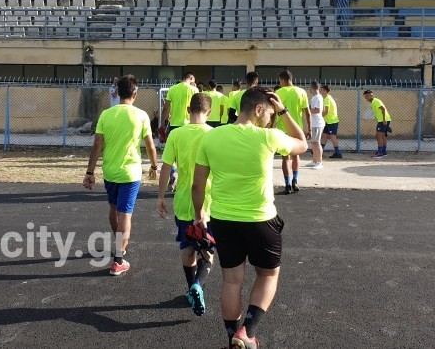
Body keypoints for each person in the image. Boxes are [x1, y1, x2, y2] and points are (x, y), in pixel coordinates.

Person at [192, 87, 308, 348]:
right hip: (261, 220)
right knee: (268, 275)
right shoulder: (268, 137)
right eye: (269, 114)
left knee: (231, 280)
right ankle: (248, 331)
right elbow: (302, 143)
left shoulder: (211, 136)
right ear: (258, 109)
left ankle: (232, 336)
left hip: (223, 220)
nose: (270, 119)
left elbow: (198, 185)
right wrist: (284, 111)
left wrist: (200, 214)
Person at [83, 75, 159, 276]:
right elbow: (150, 146)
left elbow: (97, 146)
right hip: (130, 173)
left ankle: (119, 245)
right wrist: (154, 166)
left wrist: (90, 172)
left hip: (110, 171)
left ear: (117, 92)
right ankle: (118, 259)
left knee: (113, 208)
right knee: (125, 213)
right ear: (135, 93)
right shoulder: (141, 115)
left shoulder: (106, 114)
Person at [157, 93, 215, 316]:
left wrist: (161, 197)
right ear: (209, 112)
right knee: (207, 249)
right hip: (208, 202)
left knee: (187, 246)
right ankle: (198, 285)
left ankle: (191, 287)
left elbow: (166, 167)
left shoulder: (176, 134)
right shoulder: (213, 134)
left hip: (183, 201)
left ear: (188, 110)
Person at [275, 70, 311, 194]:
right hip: (297, 129)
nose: (279, 83)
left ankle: (287, 184)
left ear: (283, 80)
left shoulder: (278, 92)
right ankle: (295, 180)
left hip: (282, 129)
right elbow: (307, 112)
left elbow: (274, 111)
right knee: (296, 156)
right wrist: (309, 129)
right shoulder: (301, 92)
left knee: (285, 158)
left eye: (280, 81)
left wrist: (271, 126)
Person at [363, 90, 391, 158]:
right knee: (382, 136)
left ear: (371, 95)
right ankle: (383, 151)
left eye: (367, 96)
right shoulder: (373, 102)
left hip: (383, 120)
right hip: (383, 120)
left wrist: (384, 119)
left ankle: (380, 152)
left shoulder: (375, 101)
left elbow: (383, 108)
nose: (366, 98)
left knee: (378, 136)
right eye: (365, 96)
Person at [321, 85, 342, 159]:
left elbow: (326, 111)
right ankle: (320, 151)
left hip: (332, 121)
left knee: (332, 137)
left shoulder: (327, 99)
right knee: (324, 135)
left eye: (322, 90)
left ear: (325, 91)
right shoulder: (328, 97)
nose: (320, 91)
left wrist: (319, 117)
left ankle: (338, 153)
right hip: (328, 121)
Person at [308, 81, 325, 169]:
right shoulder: (315, 97)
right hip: (314, 123)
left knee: (316, 143)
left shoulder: (317, 97)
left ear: (312, 88)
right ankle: (315, 161)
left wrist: (307, 111)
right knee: (313, 142)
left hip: (317, 123)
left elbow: (317, 110)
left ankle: (319, 162)